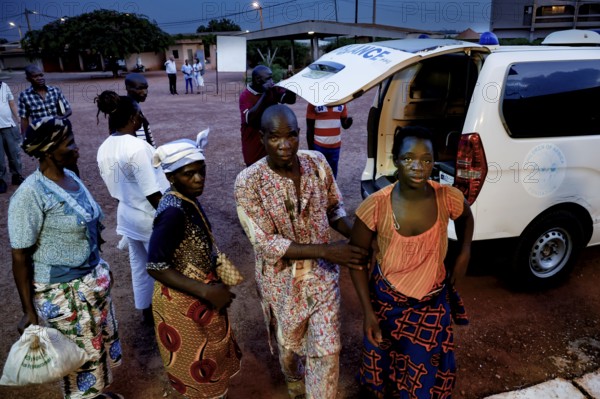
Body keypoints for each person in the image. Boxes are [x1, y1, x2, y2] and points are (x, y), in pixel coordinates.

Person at [234, 104, 368, 399]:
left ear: (299, 134)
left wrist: (365, 237)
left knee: (326, 349)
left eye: (292, 136)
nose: (285, 145)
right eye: (275, 138)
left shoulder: (317, 163)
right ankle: (292, 375)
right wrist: (327, 251)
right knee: (289, 345)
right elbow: (265, 243)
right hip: (280, 281)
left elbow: (335, 209)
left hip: (322, 279)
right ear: (261, 137)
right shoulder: (248, 182)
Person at [348, 126, 474, 399]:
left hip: (431, 302)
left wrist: (464, 251)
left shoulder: (446, 197)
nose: (418, 167)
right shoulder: (376, 205)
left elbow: (466, 216)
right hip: (386, 303)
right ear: (395, 159)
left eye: (426, 160)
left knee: (423, 371)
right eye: (408, 158)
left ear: (434, 161)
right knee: (385, 364)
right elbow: (356, 260)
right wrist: (368, 313)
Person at [8, 117, 122, 399]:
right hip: (63, 293)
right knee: (79, 355)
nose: (76, 147)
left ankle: (98, 394)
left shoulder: (70, 177)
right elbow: (20, 256)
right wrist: (28, 310)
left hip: (91, 283)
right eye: (68, 143)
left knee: (97, 344)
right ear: (47, 151)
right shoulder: (29, 195)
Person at [147, 139, 241, 399]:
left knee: (210, 355)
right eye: (189, 174)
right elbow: (155, 266)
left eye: (202, 171)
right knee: (197, 363)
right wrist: (206, 292)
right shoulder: (173, 212)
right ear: (170, 176)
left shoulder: (186, 198)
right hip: (182, 302)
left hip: (198, 295)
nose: (199, 179)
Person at [96, 91, 169, 325]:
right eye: (139, 114)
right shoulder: (138, 147)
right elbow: (152, 193)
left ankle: (146, 310)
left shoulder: (104, 147)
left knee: (139, 266)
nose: (141, 118)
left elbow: (120, 183)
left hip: (127, 215)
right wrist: (172, 217)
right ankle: (167, 315)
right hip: (149, 218)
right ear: (132, 117)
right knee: (166, 269)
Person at [18, 64, 78, 176]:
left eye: (41, 75)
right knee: (48, 164)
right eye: (35, 76)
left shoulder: (54, 91)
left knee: (69, 162)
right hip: (42, 138)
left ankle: (75, 185)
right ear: (28, 79)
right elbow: (24, 118)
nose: (40, 78)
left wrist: (58, 118)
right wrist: (25, 138)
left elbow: (68, 110)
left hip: (60, 135)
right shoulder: (24, 96)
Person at [239, 65, 296, 166]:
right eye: (268, 78)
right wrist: (265, 94)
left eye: (271, 77)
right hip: (254, 142)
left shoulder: (272, 89)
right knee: (254, 170)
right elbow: (251, 119)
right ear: (257, 80)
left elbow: (291, 100)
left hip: (271, 140)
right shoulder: (245, 96)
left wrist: (290, 83)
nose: (272, 81)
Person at [306, 103, 353, 178]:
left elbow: (344, 124)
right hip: (318, 146)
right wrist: (311, 149)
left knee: (332, 175)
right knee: (319, 174)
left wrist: (348, 123)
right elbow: (309, 128)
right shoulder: (314, 102)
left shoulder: (342, 102)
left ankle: (331, 189)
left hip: (335, 147)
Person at [0, 81, 24, 193]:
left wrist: (19, 120)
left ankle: (17, 176)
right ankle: (1, 180)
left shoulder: (4, 86)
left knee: (14, 154)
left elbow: (12, 104)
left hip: (9, 126)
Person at [125, 73, 156, 147]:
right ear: (128, 88)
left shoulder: (135, 107)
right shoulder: (128, 111)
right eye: (140, 88)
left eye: (146, 88)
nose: (145, 92)